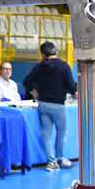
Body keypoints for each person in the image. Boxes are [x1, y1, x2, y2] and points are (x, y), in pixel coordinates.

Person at [23, 41, 77, 170]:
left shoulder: (39, 67)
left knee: (46, 134)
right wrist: (74, 92)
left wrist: (34, 92)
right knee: (61, 133)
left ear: (43, 54)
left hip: (43, 105)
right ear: (56, 51)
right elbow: (71, 86)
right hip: (58, 105)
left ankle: (51, 162)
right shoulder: (63, 66)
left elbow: (26, 81)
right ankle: (60, 158)